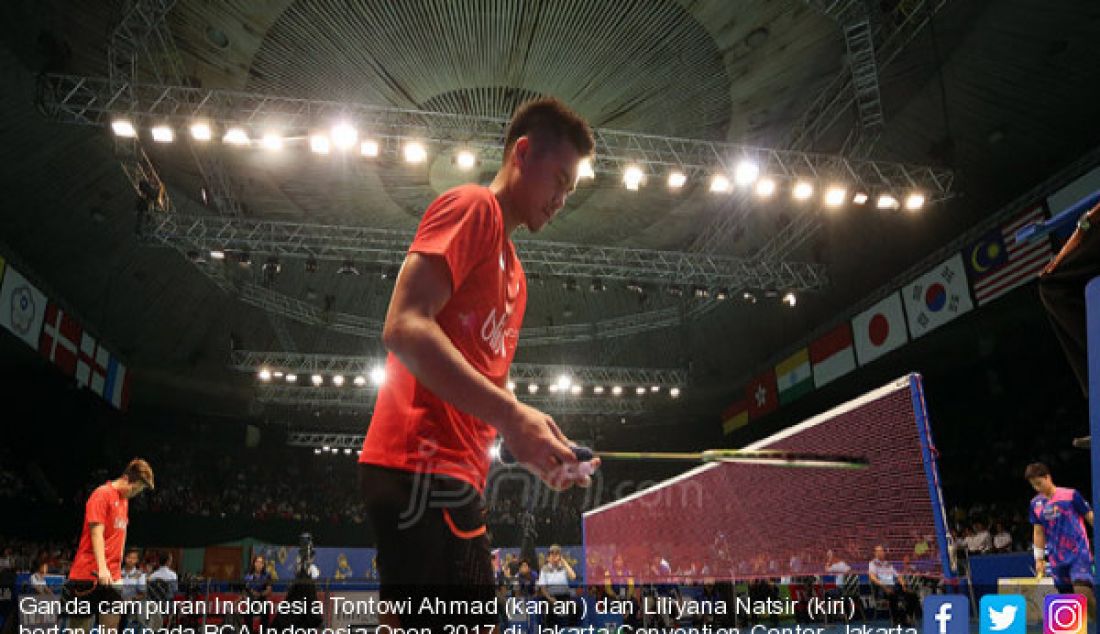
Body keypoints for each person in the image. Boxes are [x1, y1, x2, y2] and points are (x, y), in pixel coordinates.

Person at [357, 97, 598, 632]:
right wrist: (513, 417)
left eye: (570, 189)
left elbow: (490, 391)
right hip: (418, 464)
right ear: (523, 153)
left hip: (456, 476)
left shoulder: (515, 274)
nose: (561, 199)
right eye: (558, 178)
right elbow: (404, 325)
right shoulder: (473, 208)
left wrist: (534, 451)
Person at [62, 459, 154, 632]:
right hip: (88, 574)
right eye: (135, 489)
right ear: (126, 479)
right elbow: (96, 533)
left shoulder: (124, 501)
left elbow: (121, 534)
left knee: (111, 626)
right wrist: (103, 568)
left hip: (113, 576)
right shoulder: (101, 494)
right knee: (79, 629)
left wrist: (118, 571)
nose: (135, 494)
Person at [1026, 462, 1096, 614]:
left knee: (1083, 594)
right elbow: (1038, 532)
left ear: (1048, 477)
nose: (1037, 488)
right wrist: (1039, 559)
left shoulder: (1071, 495)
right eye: (1033, 486)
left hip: (1079, 554)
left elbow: (1091, 518)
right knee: (1068, 606)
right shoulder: (1035, 504)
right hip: (1056, 558)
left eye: (1039, 483)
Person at [868, 545, 913, 627]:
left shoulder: (888, 564)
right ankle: (899, 619)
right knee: (893, 595)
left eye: (881, 551)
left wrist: (903, 584)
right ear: (875, 553)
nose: (880, 553)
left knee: (910, 594)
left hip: (893, 586)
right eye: (877, 551)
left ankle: (905, 617)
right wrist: (884, 586)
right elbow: (873, 578)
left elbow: (898, 575)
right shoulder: (872, 564)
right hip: (881, 588)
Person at [537, 545, 577, 627]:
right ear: (548, 557)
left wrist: (564, 562)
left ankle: (569, 631)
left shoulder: (564, 567)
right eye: (552, 554)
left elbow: (573, 576)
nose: (554, 556)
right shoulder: (544, 569)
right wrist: (550, 598)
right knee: (549, 611)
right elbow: (543, 588)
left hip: (565, 597)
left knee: (575, 608)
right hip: (551, 597)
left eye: (557, 554)